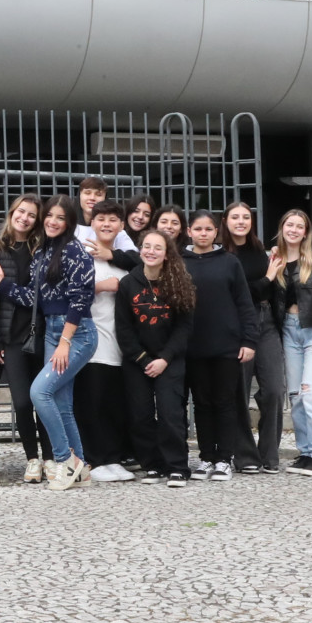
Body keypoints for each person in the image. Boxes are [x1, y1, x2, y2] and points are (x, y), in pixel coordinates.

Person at [0, 196, 96, 490]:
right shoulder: (43, 253)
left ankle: (65, 460)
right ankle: (82, 468)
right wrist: (4, 285)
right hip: (51, 330)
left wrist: (65, 341)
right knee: (62, 403)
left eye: (60, 218)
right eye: (49, 216)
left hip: (75, 334)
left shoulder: (75, 252)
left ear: (69, 222)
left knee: (39, 392)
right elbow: (34, 299)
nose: (52, 221)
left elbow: (81, 298)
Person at [178, 210, 257, 481]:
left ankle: (224, 458)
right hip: (192, 345)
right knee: (201, 403)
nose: (203, 234)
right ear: (189, 231)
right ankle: (206, 457)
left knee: (225, 402)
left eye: (208, 229)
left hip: (227, 345)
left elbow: (244, 304)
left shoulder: (230, 262)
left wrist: (249, 340)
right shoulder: (179, 262)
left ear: (216, 232)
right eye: (197, 229)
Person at [113, 227, 193, 487]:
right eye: (147, 246)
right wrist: (144, 360)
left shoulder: (179, 281)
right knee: (140, 415)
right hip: (138, 361)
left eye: (158, 247)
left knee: (170, 413)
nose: (151, 251)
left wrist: (164, 359)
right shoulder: (128, 284)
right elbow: (123, 329)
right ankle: (153, 465)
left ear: (167, 254)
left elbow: (184, 328)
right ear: (140, 249)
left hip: (170, 359)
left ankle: (177, 467)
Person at [267, 209, 312, 475]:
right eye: (289, 224)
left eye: (299, 226)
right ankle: (305, 452)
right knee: (295, 396)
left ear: (305, 232)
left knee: (310, 395)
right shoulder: (275, 259)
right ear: (282, 227)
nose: (293, 230)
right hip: (288, 331)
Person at [221, 201, 285, 473]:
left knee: (274, 390)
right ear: (225, 221)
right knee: (239, 392)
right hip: (236, 325)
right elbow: (238, 293)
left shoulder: (262, 252)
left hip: (266, 321)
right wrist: (268, 279)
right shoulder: (221, 254)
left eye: (246, 217)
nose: (241, 221)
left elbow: (265, 292)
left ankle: (269, 454)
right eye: (235, 217)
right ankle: (245, 457)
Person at [76, 199, 135, 482]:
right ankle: (94, 459)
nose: (107, 224)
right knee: (93, 401)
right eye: (101, 220)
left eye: (113, 220)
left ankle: (112, 458)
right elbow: (65, 292)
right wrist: (100, 286)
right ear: (92, 222)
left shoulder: (125, 257)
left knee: (114, 404)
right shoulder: (80, 253)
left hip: (120, 344)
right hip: (91, 341)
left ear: (121, 225)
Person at [0, 195, 51, 480]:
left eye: (31, 214)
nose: (25, 218)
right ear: (12, 212)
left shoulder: (42, 250)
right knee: (22, 402)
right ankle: (32, 459)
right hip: (12, 339)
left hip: (42, 336)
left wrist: (4, 285)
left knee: (44, 399)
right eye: (21, 211)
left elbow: (36, 298)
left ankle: (51, 458)